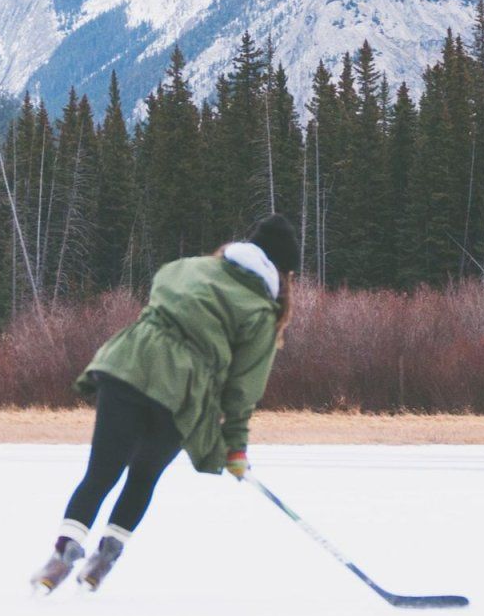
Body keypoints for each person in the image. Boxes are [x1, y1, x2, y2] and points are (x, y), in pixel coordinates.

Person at [33, 214, 301, 594]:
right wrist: (235, 447)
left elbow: (160, 291)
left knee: (101, 473)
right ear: (282, 273)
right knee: (144, 475)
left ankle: (61, 555)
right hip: (183, 393)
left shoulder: (187, 267)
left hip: (128, 366)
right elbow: (243, 389)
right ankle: (104, 558)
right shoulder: (261, 312)